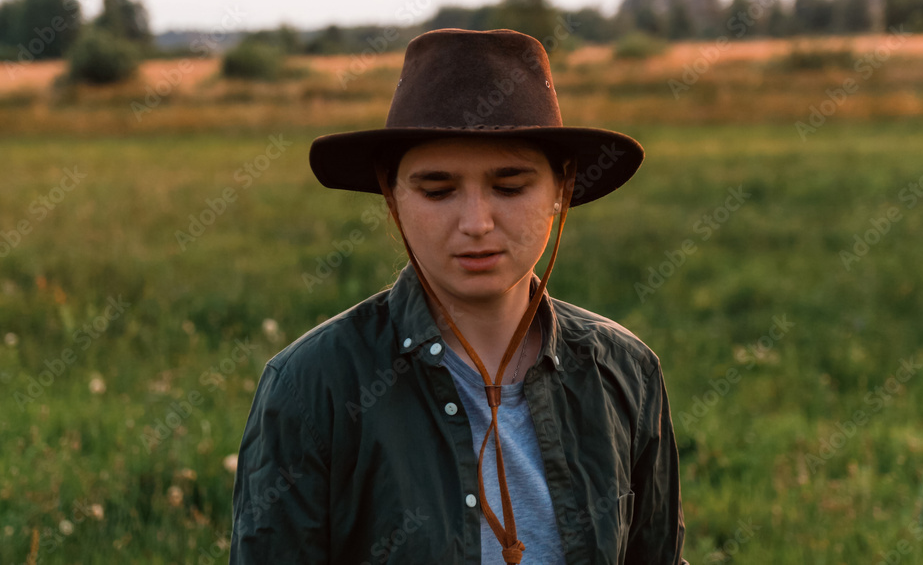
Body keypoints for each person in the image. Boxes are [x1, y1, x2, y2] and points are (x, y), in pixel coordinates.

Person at [230, 28, 688, 564]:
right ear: (392, 195)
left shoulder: (626, 371)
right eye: (438, 190)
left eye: (510, 186)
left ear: (563, 189)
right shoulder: (314, 386)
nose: (476, 223)